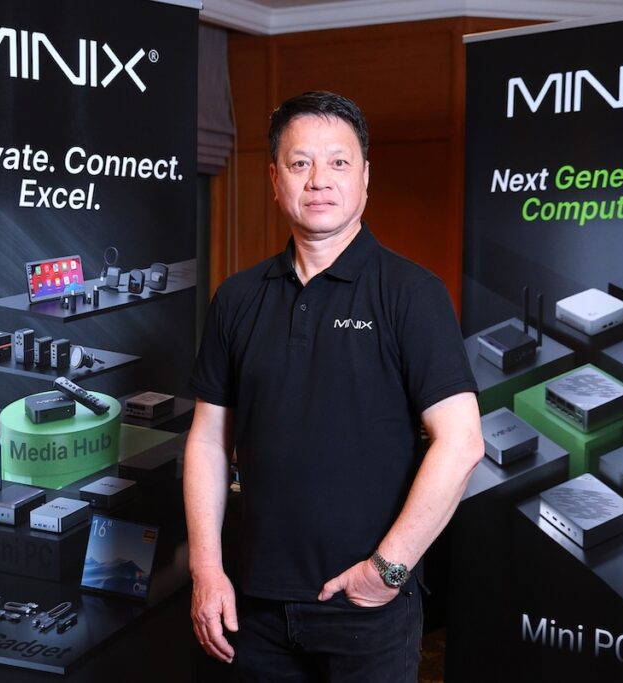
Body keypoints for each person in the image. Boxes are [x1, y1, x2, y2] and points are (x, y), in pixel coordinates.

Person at [184, 90, 483, 682]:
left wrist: (387, 571)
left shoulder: (411, 294)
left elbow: (462, 442)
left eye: (338, 162)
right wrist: (207, 570)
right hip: (253, 606)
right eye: (300, 163)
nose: (319, 179)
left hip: (367, 608)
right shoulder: (237, 299)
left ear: (365, 177)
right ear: (276, 179)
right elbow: (208, 442)